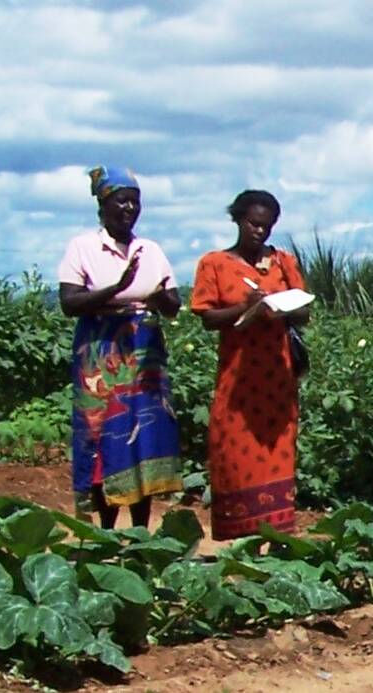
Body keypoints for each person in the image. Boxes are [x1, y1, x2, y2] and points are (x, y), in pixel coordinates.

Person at [57, 167, 184, 529]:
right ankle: (106, 531)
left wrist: (158, 296)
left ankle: (141, 530)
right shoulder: (83, 247)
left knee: (143, 438)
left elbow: (173, 303)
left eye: (135, 202)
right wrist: (117, 288)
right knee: (103, 436)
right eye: (121, 201)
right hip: (100, 354)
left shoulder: (151, 250)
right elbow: (70, 302)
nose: (129, 208)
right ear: (102, 205)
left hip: (145, 356)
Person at [190, 190, 309, 540]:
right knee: (233, 450)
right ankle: (242, 535)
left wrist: (277, 306)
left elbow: (303, 311)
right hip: (238, 377)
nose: (260, 232)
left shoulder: (283, 262)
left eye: (267, 226)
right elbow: (208, 317)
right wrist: (246, 307)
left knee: (277, 450)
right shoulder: (214, 264)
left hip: (276, 377)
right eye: (253, 224)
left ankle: (275, 534)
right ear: (238, 220)